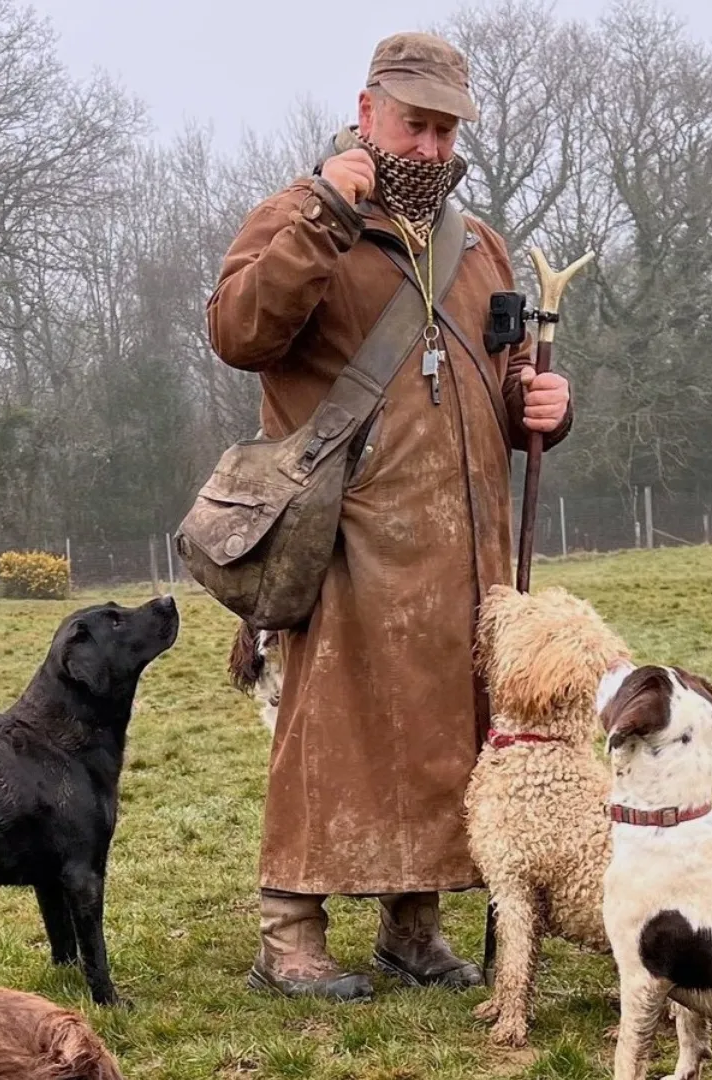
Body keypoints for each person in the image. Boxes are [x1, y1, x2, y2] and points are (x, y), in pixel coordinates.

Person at [205, 30, 575, 1001]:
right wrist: (327, 213)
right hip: (348, 537)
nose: (434, 150)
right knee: (328, 735)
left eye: (449, 132)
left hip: (465, 551)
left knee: (450, 736)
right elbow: (239, 331)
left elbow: (503, 382)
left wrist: (544, 406)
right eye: (417, 126)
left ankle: (415, 932)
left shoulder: (482, 247)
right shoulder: (301, 214)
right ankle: (289, 937)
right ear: (369, 113)